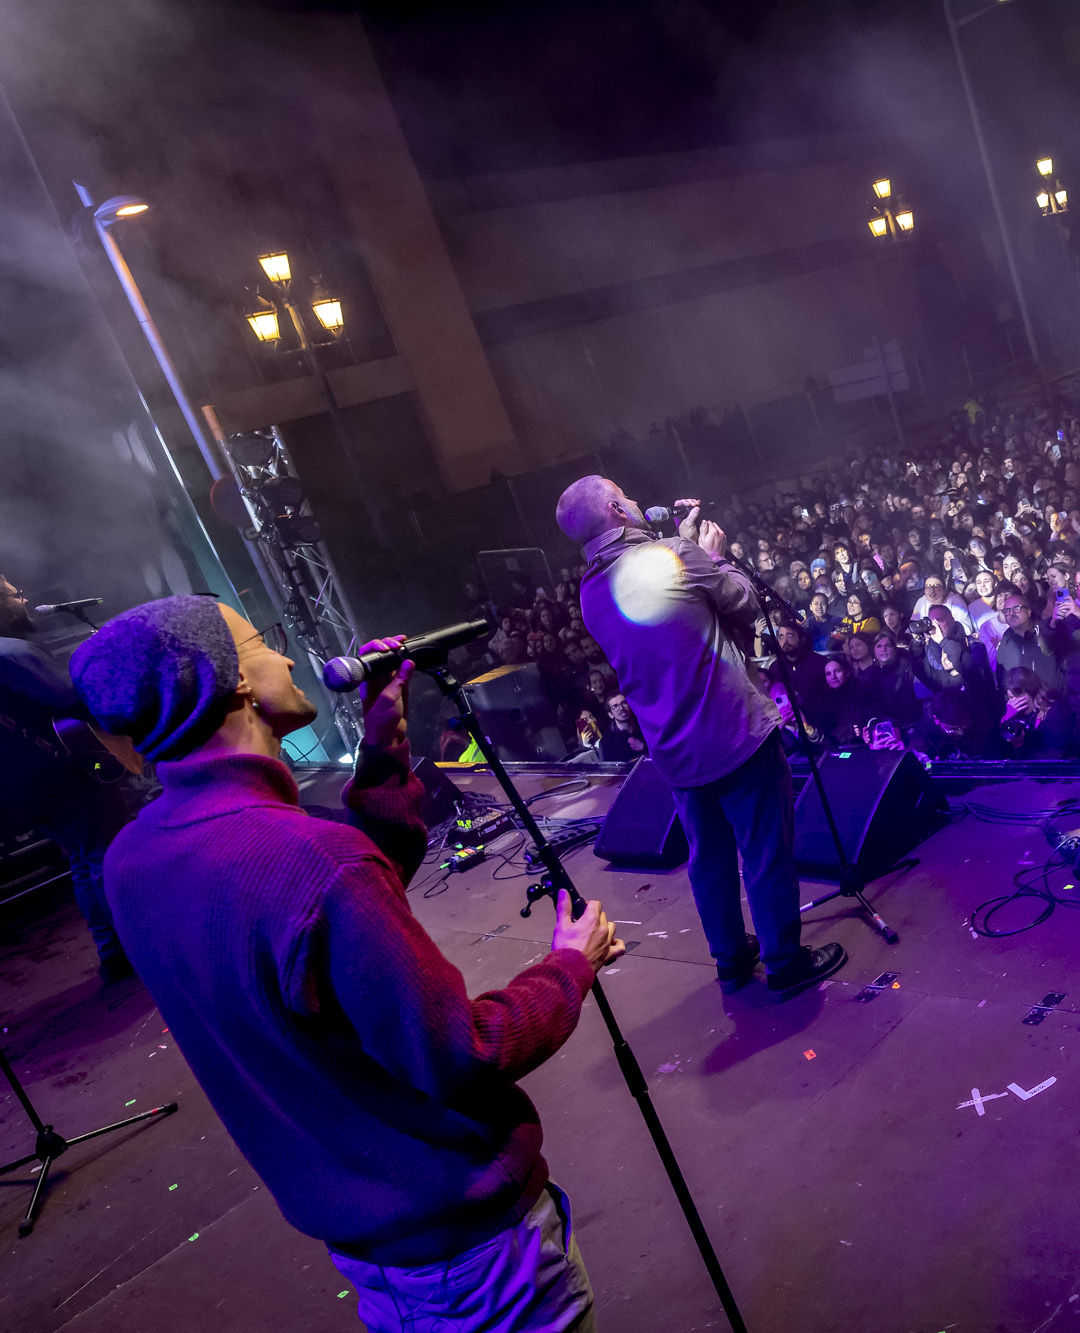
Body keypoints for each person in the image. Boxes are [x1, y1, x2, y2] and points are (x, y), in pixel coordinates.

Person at [70, 595, 623, 1333]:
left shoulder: (131, 860)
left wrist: (384, 738)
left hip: (375, 1244)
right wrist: (568, 965)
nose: (290, 657)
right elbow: (464, 1052)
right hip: (472, 1253)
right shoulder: (313, 864)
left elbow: (341, 912)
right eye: (262, 642)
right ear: (225, 681)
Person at [557, 477, 845, 997]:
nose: (640, 501)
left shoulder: (590, 592)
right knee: (764, 850)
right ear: (617, 508)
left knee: (708, 857)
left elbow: (670, 617)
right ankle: (785, 962)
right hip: (734, 734)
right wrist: (711, 553)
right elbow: (742, 604)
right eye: (629, 496)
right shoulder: (675, 554)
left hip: (673, 750)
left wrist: (684, 546)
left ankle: (732, 961)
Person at [0, 573, 144, 981]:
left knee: (81, 859)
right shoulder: (10, 652)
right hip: (59, 775)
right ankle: (134, 946)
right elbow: (70, 699)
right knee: (105, 855)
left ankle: (112, 950)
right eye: (14, 595)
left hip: (19, 790)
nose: (23, 600)